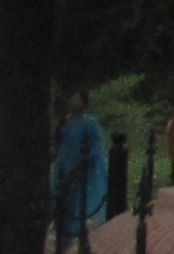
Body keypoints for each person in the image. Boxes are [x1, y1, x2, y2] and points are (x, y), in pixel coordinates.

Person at [48, 91, 107, 249]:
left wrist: (85, 164)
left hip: (82, 174)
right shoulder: (64, 122)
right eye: (71, 96)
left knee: (82, 215)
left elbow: (95, 148)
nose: (73, 100)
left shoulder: (90, 123)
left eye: (77, 97)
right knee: (62, 214)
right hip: (64, 171)